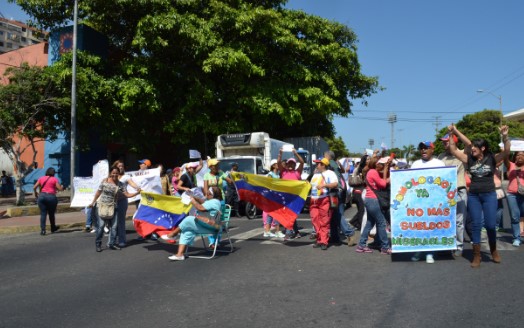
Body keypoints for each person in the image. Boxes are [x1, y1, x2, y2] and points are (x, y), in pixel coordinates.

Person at [448, 124, 510, 268]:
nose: (472, 148)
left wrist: (505, 136)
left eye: (475, 147)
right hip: (474, 196)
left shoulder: (492, 158)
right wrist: (452, 133)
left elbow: (507, 151)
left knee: (489, 225)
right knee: (476, 225)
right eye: (472, 147)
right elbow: (453, 149)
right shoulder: (469, 159)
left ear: (482, 148)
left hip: (489, 195)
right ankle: (477, 255)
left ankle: (493, 250)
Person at [165, 186, 223, 261]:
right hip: (207, 225)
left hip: (211, 227)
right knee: (187, 230)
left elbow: (200, 208)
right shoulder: (214, 201)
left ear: (212, 195)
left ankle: (173, 234)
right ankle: (180, 254)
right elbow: (204, 203)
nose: (206, 195)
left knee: (188, 219)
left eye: (208, 194)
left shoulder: (214, 201)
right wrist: (194, 197)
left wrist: (193, 201)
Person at [89, 167, 140, 252]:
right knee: (101, 226)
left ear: (118, 174)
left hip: (113, 207)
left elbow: (126, 195)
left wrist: (137, 193)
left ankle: (111, 244)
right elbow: (98, 192)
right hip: (102, 206)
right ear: (110, 173)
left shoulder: (121, 184)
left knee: (114, 226)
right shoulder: (105, 181)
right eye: (113, 173)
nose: (115, 175)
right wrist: (92, 202)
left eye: (116, 173)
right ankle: (98, 244)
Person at [411, 141, 446, 264]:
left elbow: (445, 182)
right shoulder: (415, 164)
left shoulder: (439, 163)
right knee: (419, 227)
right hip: (418, 203)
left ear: (432, 150)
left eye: (426, 148)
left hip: (434, 203)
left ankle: (430, 252)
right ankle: (418, 250)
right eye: (421, 148)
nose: (423, 150)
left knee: (431, 227)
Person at [438, 134, 468, 257]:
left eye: (447, 141)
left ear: (453, 142)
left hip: (460, 189)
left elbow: (468, 144)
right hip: (444, 193)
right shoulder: (440, 157)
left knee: (459, 220)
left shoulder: (462, 153)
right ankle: (446, 244)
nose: (444, 144)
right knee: (445, 219)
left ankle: (459, 246)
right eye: (443, 142)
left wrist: (455, 131)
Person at [356, 156, 392, 255]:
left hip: (370, 199)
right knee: (381, 223)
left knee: (370, 223)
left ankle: (361, 245)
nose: (384, 166)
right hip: (373, 200)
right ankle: (385, 247)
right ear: (378, 164)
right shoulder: (373, 172)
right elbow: (383, 184)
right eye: (383, 165)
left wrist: (386, 171)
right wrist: (388, 178)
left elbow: (382, 182)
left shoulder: (371, 171)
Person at [324, 150, 356, 246]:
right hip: (341, 191)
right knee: (335, 214)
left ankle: (349, 232)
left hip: (335, 192)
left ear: (327, 156)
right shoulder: (335, 164)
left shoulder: (329, 164)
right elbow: (341, 171)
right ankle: (335, 237)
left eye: (324, 156)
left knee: (336, 214)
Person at [309, 157, 338, 250]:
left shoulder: (330, 173)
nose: (316, 165)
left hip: (324, 199)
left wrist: (324, 185)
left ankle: (323, 241)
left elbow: (335, 184)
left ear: (323, 165)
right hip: (313, 200)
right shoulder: (315, 174)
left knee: (324, 221)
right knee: (315, 220)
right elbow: (311, 185)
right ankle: (319, 239)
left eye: (318, 163)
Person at [112, 160, 141, 247]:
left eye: (122, 166)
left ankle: (122, 241)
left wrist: (138, 188)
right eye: (119, 166)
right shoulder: (112, 175)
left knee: (121, 221)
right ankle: (112, 241)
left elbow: (132, 183)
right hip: (112, 201)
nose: (121, 167)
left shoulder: (126, 176)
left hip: (122, 201)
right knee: (112, 221)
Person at [277, 147, 304, 239]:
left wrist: (296, 153)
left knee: (290, 214)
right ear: (287, 164)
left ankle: (288, 233)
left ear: (295, 165)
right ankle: (295, 232)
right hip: (285, 197)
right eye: (289, 163)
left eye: (293, 163)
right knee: (289, 214)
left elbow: (302, 162)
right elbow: (278, 163)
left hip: (295, 197)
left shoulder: (297, 173)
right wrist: (280, 154)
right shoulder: (283, 172)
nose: (291, 165)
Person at [33, 167, 64, 236]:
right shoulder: (54, 179)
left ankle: (43, 230)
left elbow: (34, 187)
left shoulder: (41, 178)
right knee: (51, 214)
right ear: (53, 173)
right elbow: (60, 189)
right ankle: (53, 228)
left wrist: (35, 193)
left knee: (43, 214)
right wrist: (62, 187)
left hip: (42, 197)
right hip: (51, 197)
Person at [503, 150, 524, 247]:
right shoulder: (510, 165)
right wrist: (505, 147)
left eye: (522, 155)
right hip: (512, 194)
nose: (519, 156)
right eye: (518, 155)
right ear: (515, 156)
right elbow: (505, 157)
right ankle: (516, 238)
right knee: (515, 216)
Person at [262, 159, 285, 238]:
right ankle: (277, 231)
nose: (279, 165)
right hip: (272, 196)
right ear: (273, 165)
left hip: (276, 196)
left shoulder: (278, 175)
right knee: (277, 214)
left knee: (271, 214)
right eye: (277, 164)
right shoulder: (270, 174)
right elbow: (268, 184)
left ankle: (267, 231)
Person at [349, 155, 369, 230]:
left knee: (362, 209)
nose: (369, 160)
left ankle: (355, 222)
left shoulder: (362, 169)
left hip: (360, 192)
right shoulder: (360, 169)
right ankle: (359, 224)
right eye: (368, 159)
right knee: (362, 210)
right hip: (358, 192)